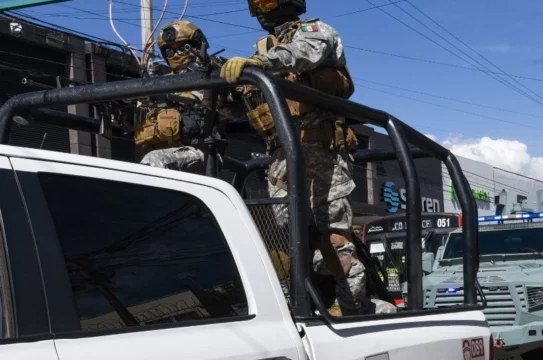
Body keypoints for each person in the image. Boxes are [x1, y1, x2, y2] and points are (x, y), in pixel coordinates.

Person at [220, 0, 395, 316]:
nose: (262, 8)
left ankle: (353, 306)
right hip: (282, 159)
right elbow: (240, 107)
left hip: (321, 153)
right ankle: (309, 301)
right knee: (295, 239)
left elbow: (302, 54)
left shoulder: (314, 32)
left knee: (333, 234)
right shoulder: (263, 51)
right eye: (255, 2)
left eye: (268, 1)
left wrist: (257, 63)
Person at [135, 20, 233, 173]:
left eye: (181, 49)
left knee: (153, 162)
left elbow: (235, 110)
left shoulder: (213, 74)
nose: (175, 54)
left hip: (202, 151)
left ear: (196, 46)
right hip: (165, 152)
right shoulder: (162, 83)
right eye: (169, 51)